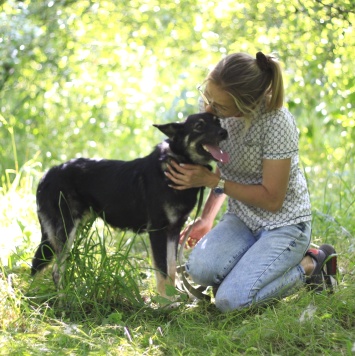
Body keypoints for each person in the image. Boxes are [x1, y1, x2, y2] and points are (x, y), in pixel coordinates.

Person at [165, 52, 338, 312]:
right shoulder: (215, 110)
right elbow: (223, 172)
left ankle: (311, 265)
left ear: (247, 106)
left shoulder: (276, 122)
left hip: (285, 224)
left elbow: (272, 199)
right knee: (199, 271)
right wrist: (206, 218)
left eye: (220, 106)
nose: (210, 110)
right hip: (242, 218)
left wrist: (213, 182)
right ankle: (252, 270)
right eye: (207, 97)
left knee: (230, 302)